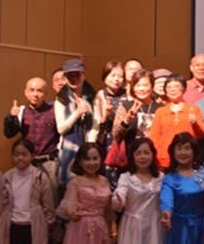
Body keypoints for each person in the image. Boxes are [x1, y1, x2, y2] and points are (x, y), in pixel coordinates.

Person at [3, 77, 59, 198]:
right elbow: (8, 134)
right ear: (25, 92)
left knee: (51, 199)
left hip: (49, 163)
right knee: (28, 198)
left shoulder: (54, 110)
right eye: (32, 90)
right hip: (27, 163)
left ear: (45, 93)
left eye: (40, 90)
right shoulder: (21, 111)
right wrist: (12, 116)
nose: (35, 94)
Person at [149, 74, 204, 169]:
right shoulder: (160, 111)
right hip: (164, 160)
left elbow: (201, 135)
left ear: (184, 89)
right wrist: (157, 157)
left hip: (187, 159)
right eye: (169, 87)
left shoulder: (193, 109)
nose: (172, 90)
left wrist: (195, 124)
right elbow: (154, 137)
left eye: (176, 86)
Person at [54, 59, 95, 189]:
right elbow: (61, 129)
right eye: (70, 75)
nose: (74, 78)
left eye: (77, 74)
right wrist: (77, 113)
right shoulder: (61, 99)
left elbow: (94, 126)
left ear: (83, 75)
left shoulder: (92, 96)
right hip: (68, 150)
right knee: (68, 188)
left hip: (89, 151)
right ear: (65, 78)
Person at [92, 60, 126, 189]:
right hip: (106, 140)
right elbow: (97, 124)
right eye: (113, 75)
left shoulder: (127, 94)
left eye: (120, 76)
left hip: (123, 139)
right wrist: (106, 114)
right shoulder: (100, 95)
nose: (117, 79)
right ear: (105, 76)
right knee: (107, 176)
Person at [111, 69, 159, 148]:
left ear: (152, 86)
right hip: (132, 153)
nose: (141, 89)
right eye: (138, 85)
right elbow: (115, 135)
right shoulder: (126, 107)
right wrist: (126, 120)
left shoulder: (160, 108)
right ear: (133, 87)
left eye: (145, 85)